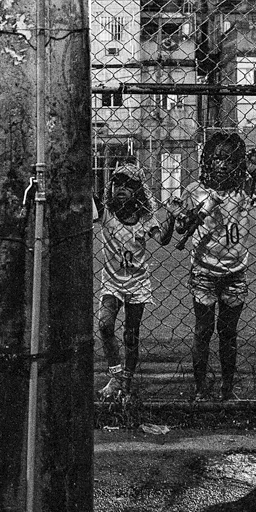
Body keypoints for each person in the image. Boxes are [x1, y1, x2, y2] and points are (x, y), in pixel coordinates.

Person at [176, 132, 256, 401]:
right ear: (207, 161)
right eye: (217, 158)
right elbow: (181, 227)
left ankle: (226, 387)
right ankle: (200, 388)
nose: (222, 165)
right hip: (203, 271)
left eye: (229, 159)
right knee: (203, 332)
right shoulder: (194, 190)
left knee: (228, 333)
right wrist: (192, 214)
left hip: (235, 272)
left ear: (238, 163)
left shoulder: (244, 189)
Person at [94, 163, 176, 400]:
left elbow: (162, 240)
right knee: (105, 325)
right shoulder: (106, 213)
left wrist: (170, 216)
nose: (122, 188)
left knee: (131, 333)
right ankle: (116, 374)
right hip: (112, 281)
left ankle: (127, 380)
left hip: (137, 283)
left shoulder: (144, 218)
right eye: (118, 183)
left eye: (129, 185)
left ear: (138, 191)